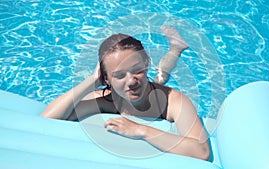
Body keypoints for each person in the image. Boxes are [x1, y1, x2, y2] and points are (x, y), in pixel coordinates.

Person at [41, 26, 210, 160]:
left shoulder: (173, 101)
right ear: (106, 79)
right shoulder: (104, 100)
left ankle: (175, 49)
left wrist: (141, 130)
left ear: (146, 64)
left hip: (155, 93)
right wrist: (92, 81)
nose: (130, 81)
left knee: (160, 79)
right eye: (120, 75)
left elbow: (202, 151)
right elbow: (48, 119)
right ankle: (175, 47)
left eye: (137, 70)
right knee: (157, 80)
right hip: (130, 87)